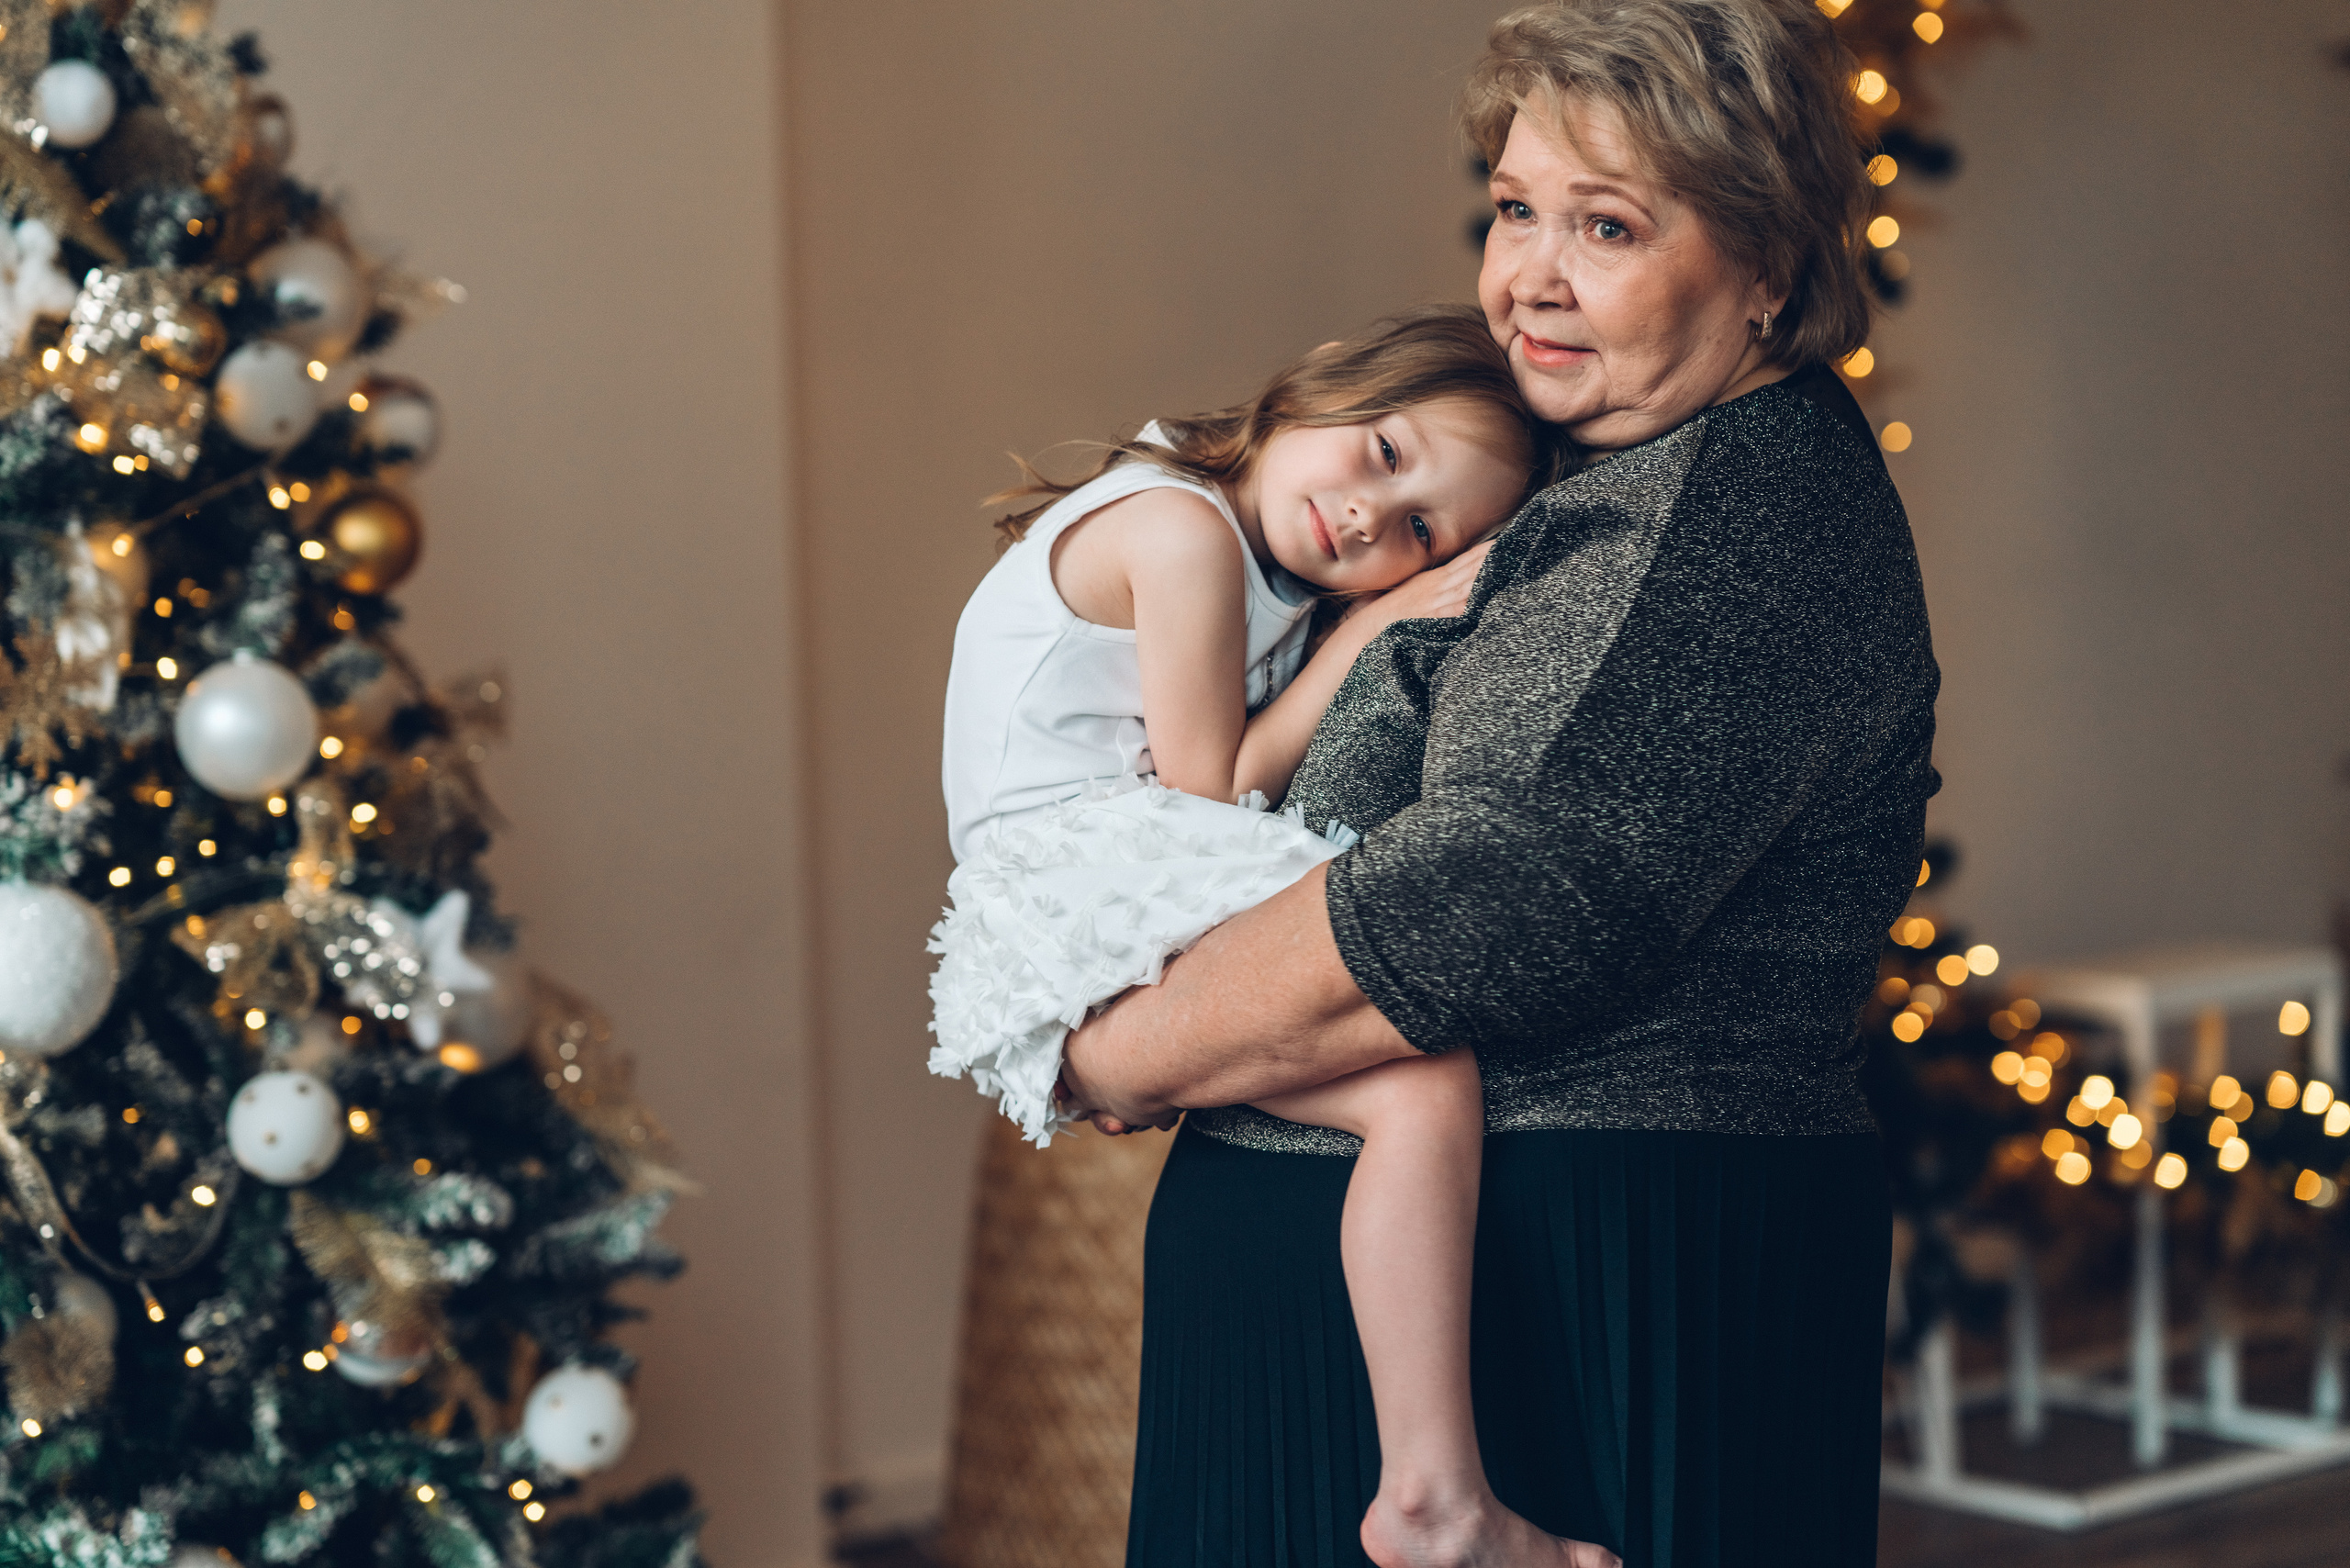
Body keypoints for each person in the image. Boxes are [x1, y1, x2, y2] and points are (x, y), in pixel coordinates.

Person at [1059, 3, 1939, 1565]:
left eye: (1606, 226)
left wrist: (1123, 1047)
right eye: (1516, 209)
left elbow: (1499, 892)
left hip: (1596, 1314)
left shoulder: (1742, 507)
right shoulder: (1571, 471)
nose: (1530, 272)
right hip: (1402, 1321)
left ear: (1769, 276)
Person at [930, 306, 1581, 1562]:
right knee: (1429, 1076)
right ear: (1331, 384)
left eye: (1420, 534)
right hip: (1085, 887)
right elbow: (1210, 790)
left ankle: (1429, 1490)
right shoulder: (1179, 531)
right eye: (1386, 459)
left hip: (1082, 892)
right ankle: (1433, 1499)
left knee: (1420, 1095)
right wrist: (1372, 633)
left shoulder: (1224, 535)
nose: (1368, 525)